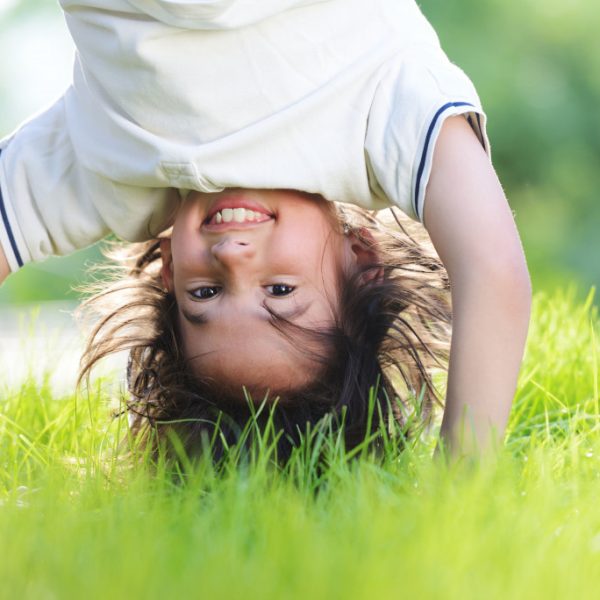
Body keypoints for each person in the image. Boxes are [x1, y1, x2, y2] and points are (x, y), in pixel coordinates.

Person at [0, 0, 531, 458]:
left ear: (167, 269)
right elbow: (492, 269)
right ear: (361, 261)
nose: (231, 254)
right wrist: (462, 482)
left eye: (204, 293)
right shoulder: (378, 118)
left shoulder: (113, 173)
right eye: (280, 291)